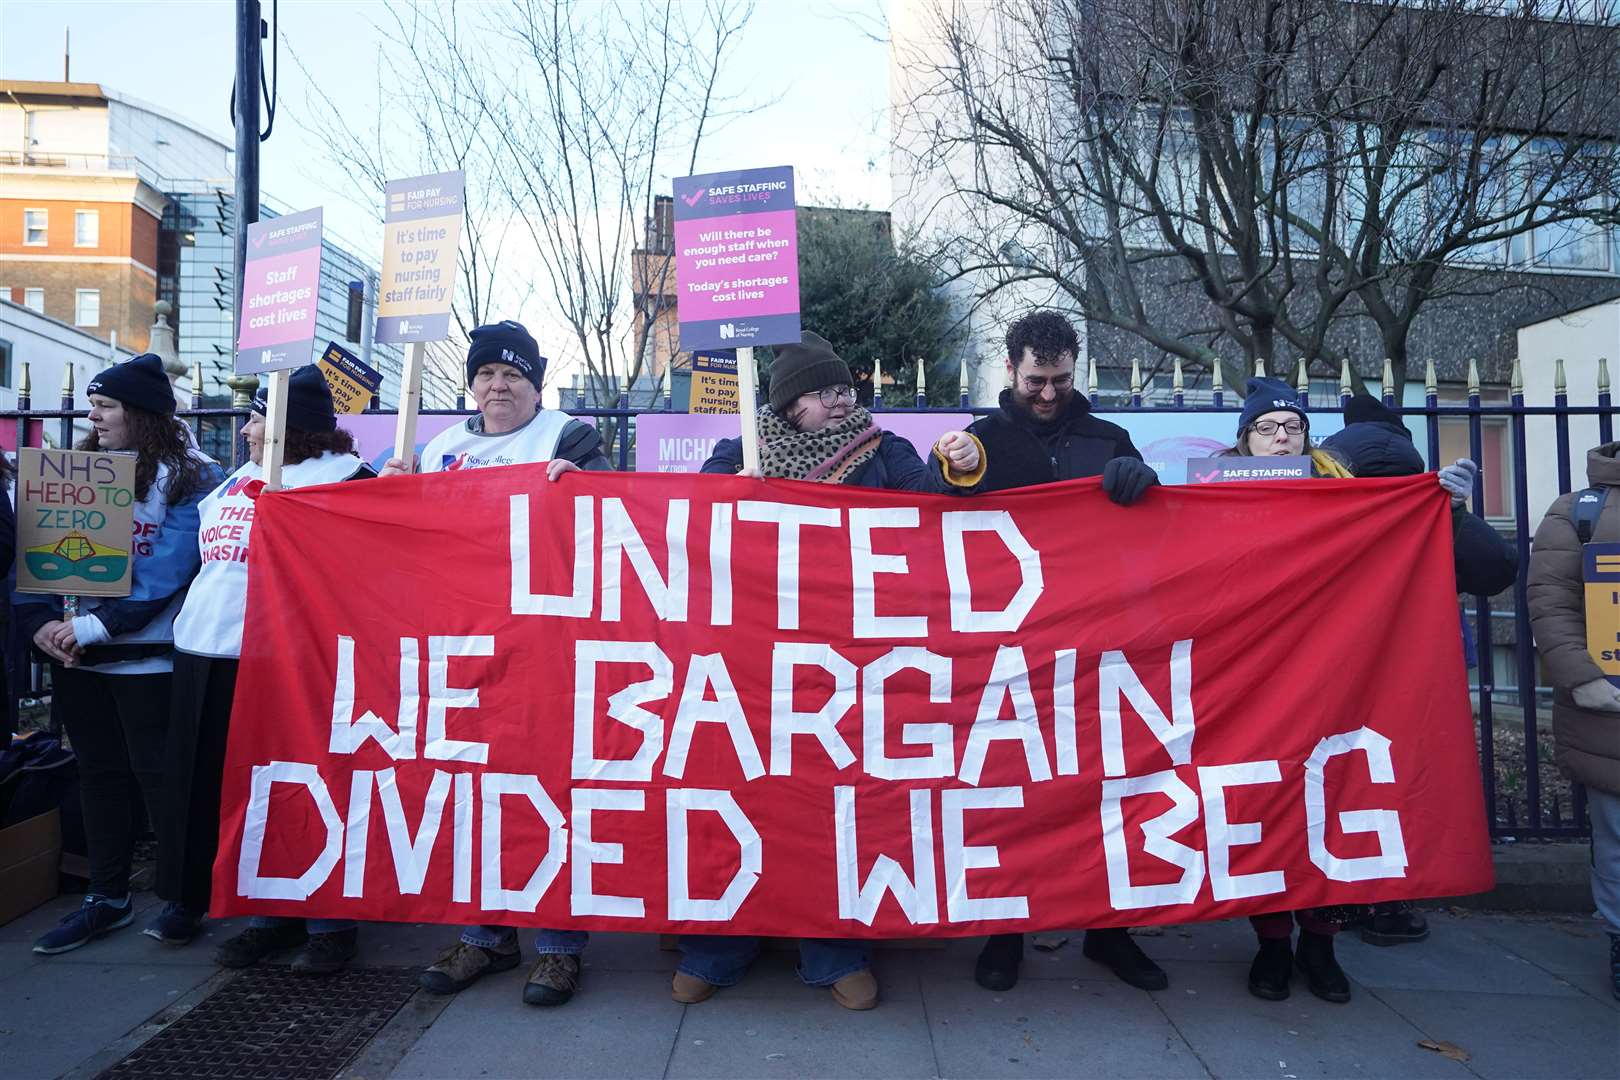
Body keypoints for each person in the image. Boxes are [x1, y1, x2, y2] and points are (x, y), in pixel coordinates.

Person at [676, 331, 984, 1012]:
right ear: (789, 407)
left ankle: (834, 949)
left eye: (847, 388)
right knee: (744, 794)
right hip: (755, 662)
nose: (843, 400)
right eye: (826, 392)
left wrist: (961, 466)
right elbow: (688, 514)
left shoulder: (885, 450)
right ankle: (719, 947)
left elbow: (934, 506)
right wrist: (733, 491)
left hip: (853, 663)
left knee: (840, 805)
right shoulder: (742, 451)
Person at [934, 310, 1164, 995]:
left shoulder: (1109, 438)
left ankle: (1110, 933)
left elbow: (1154, 536)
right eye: (1036, 379)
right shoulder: (981, 440)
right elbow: (930, 511)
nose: (1047, 392)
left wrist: (1140, 480)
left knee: (1109, 790)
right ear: (1011, 369)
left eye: (1061, 379)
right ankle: (1006, 932)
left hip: (1098, 645)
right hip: (1008, 650)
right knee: (1010, 793)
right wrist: (951, 471)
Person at [384, 320, 608, 1007]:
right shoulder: (441, 448)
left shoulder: (568, 435)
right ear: (471, 384)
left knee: (550, 788)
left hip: (545, 644)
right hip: (463, 641)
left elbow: (613, 519)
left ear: (535, 384)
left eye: (513, 374)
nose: (498, 385)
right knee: (471, 789)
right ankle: (485, 936)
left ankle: (560, 947)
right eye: (486, 374)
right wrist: (388, 493)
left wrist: (587, 486)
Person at [150, 365, 375, 973]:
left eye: (256, 417)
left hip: (289, 661)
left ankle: (330, 922)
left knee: (303, 788)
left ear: (291, 429)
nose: (245, 429)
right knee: (236, 795)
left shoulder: (349, 480)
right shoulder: (234, 482)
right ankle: (267, 913)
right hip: (207, 651)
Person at [23, 353, 222, 955]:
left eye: (106, 405)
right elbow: (37, 554)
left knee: (162, 782)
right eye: (93, 404)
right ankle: (106, 897)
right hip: (77, 658)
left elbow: (172, 566)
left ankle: (183, 898)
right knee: (99, 776)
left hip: (150, 660)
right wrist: (41, 623)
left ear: (141, 413)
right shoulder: (74, 470)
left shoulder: (197, 474)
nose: (94, 415)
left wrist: (96, 626)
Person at [1323, 395, 1515, 947]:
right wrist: (1454, 513)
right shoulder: (1419, 480)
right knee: (1399, 775)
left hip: (1340, 668)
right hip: (1417, 671)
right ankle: (1390, 898)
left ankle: (1341, 896)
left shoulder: (1335, 467)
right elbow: (1496, 570)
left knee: (1338, 773)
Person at [1527, 442, 1620, 1002]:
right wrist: (1581, 677)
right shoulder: (1578, 510)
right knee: (1617, 840)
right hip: (1610, 711)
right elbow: (1551, 600)